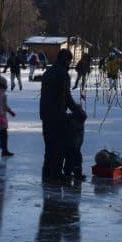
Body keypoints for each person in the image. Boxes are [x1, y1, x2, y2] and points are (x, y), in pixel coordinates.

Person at [39, 49, 83, 182]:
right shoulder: (63, 74)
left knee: (49, 145)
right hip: (57, 116)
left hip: (45, 114)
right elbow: (66, 97)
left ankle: (47, 173)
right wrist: (78, 111)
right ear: (66, 60)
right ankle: (56, 174)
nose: (70, 64)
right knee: (58, 147)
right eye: (70, 61)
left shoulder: (48, 72)